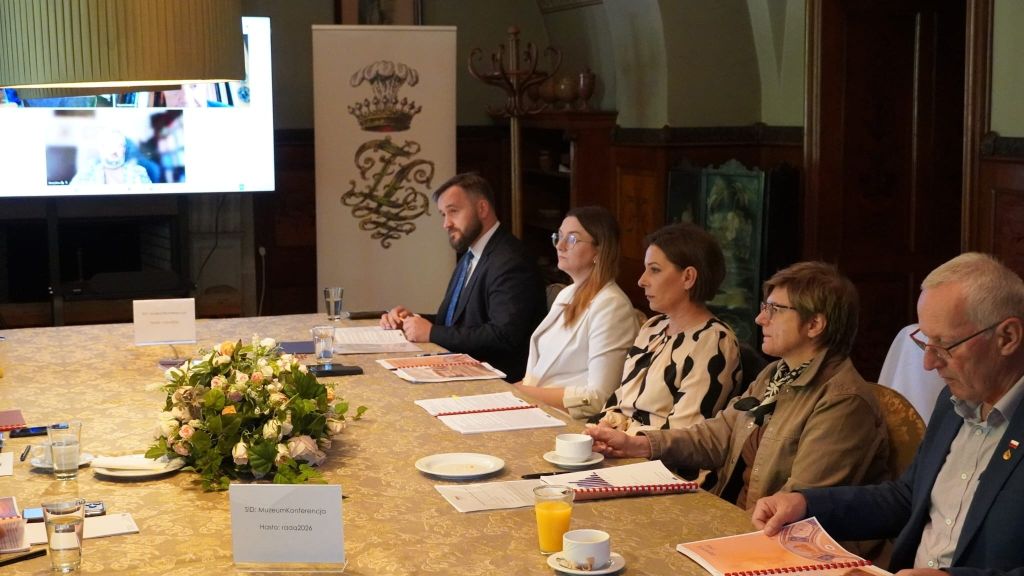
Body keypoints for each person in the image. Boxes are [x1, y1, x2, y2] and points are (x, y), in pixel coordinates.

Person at [752, 252, 1024, 575]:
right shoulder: (954, 404)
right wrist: (806, 505)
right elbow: (906, 498)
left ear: (1007, 338)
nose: (928, 363)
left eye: (945, 345)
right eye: (926, 343)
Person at [587, 261, 889, 513]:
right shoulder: (776, 374)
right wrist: (640, 444)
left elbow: (798, 505)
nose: (760, 319)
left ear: (814, 325)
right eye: (763, 307)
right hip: (741, 521)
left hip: (785, 546)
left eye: (774, 310)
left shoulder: (843, 401)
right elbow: (719, 434)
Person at [380, 172, 546, 382]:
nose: (446, 224)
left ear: (482, 209)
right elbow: (454, 322)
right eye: (443, 214)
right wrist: (411, 321)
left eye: (453, 212)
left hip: (497, 382)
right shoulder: (471, 256)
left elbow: (503, 335)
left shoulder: (511, 260)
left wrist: (432, 333)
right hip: (461, 370)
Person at [594, 222, 741, 436]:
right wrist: (605, 425)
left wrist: (621, 436)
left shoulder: (714, 341)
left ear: (688, 277)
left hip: (665, 465)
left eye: (654, 270)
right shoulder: (653, 327)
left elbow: (684, 435)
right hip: (624, 450)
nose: (641, 280)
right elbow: (621, 400)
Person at [512, 206, 640, 419]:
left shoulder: (612, 306)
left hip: (574, 426)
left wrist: (523, 393)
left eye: (572, 239)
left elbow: (599, 396)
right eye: (559, 237)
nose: (560, 246)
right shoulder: (566, 294)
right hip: (537, 411)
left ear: (599, 250)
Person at [70, 128, 152, 185]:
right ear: (101, 148)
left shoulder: (138, 172)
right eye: (110, 144)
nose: (115, 150)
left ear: (124, 149)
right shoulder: (87, 173)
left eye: (119, 145)